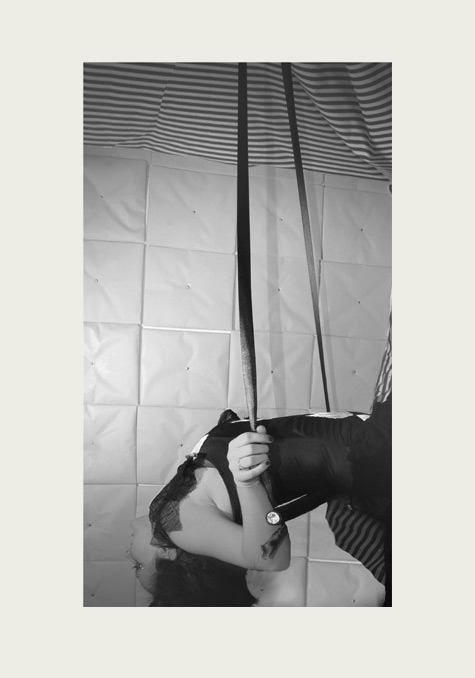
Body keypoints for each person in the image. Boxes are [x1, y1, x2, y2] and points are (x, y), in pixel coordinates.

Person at [128, 396, 392, 607]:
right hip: (373, 451)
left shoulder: (186, 501)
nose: (127, 554)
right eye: (138, 565)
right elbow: (270, 559)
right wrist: (247, 482)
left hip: (369, 446)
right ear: (166, 552)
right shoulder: (173, 522)